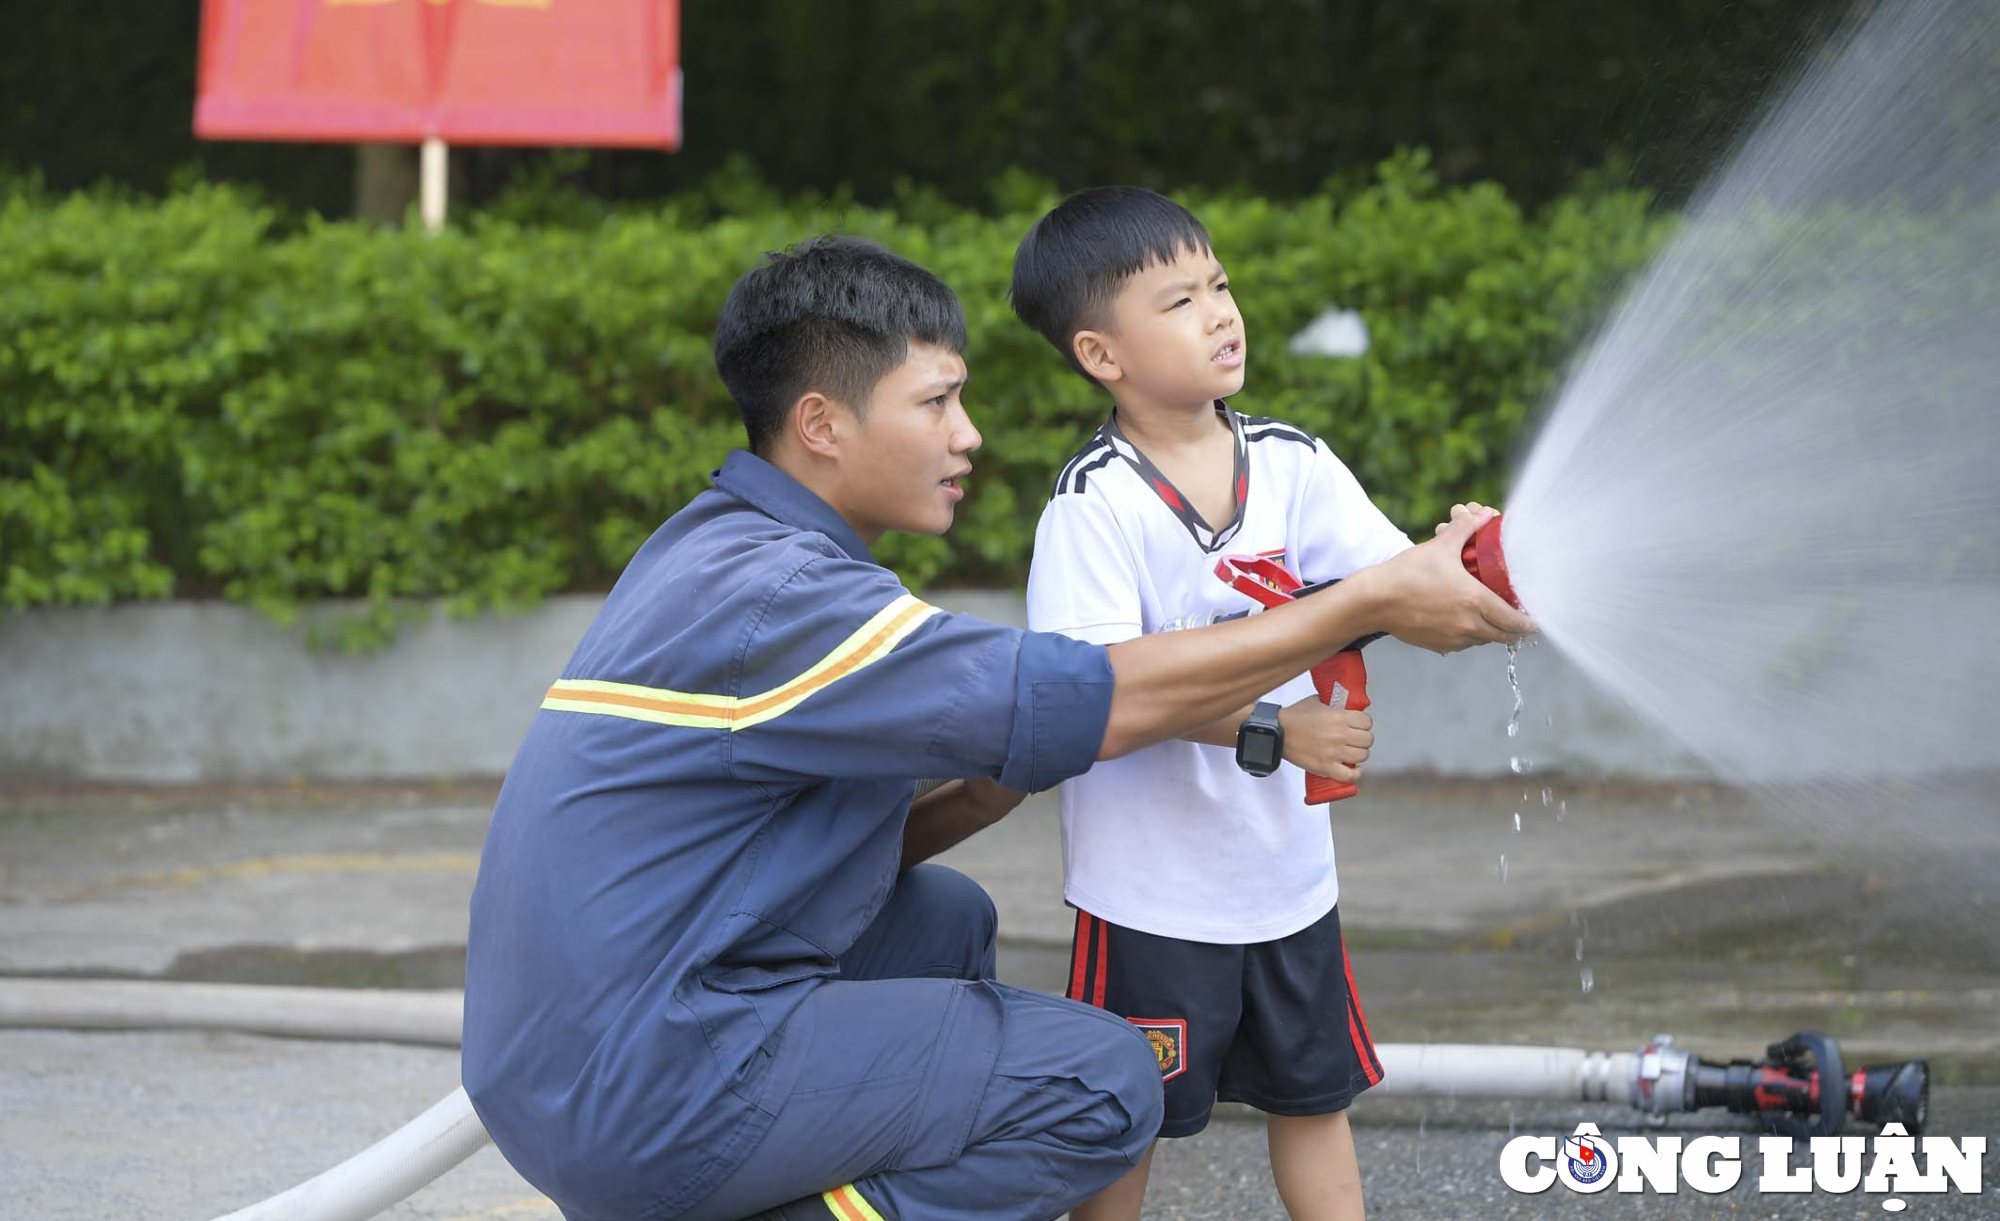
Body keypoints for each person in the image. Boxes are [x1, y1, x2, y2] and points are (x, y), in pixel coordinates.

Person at [460, 235, 1529, 1221]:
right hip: (639, 1079)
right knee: (1101, 1081)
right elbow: (1096, 693)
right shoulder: (782, 599)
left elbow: (879, 803)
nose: (968, 435)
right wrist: (1362, 604)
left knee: (941, 923)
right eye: (936, 404)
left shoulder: (715, 548)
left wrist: (1008, 768)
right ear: (822, 424)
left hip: (576, 1050)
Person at [1013, 186, 1454, 1221]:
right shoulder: (1093, 505)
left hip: (1286, 882)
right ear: (1099, 355)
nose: (1219, 312)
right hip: (1149, 897)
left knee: (1315, 1099)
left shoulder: (1293, 465)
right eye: (1178, 300)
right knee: (1123, 1115)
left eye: (1217, 284)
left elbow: (1397, 585)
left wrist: (1468, 562)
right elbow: (1093, 694)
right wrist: (1275, 727)